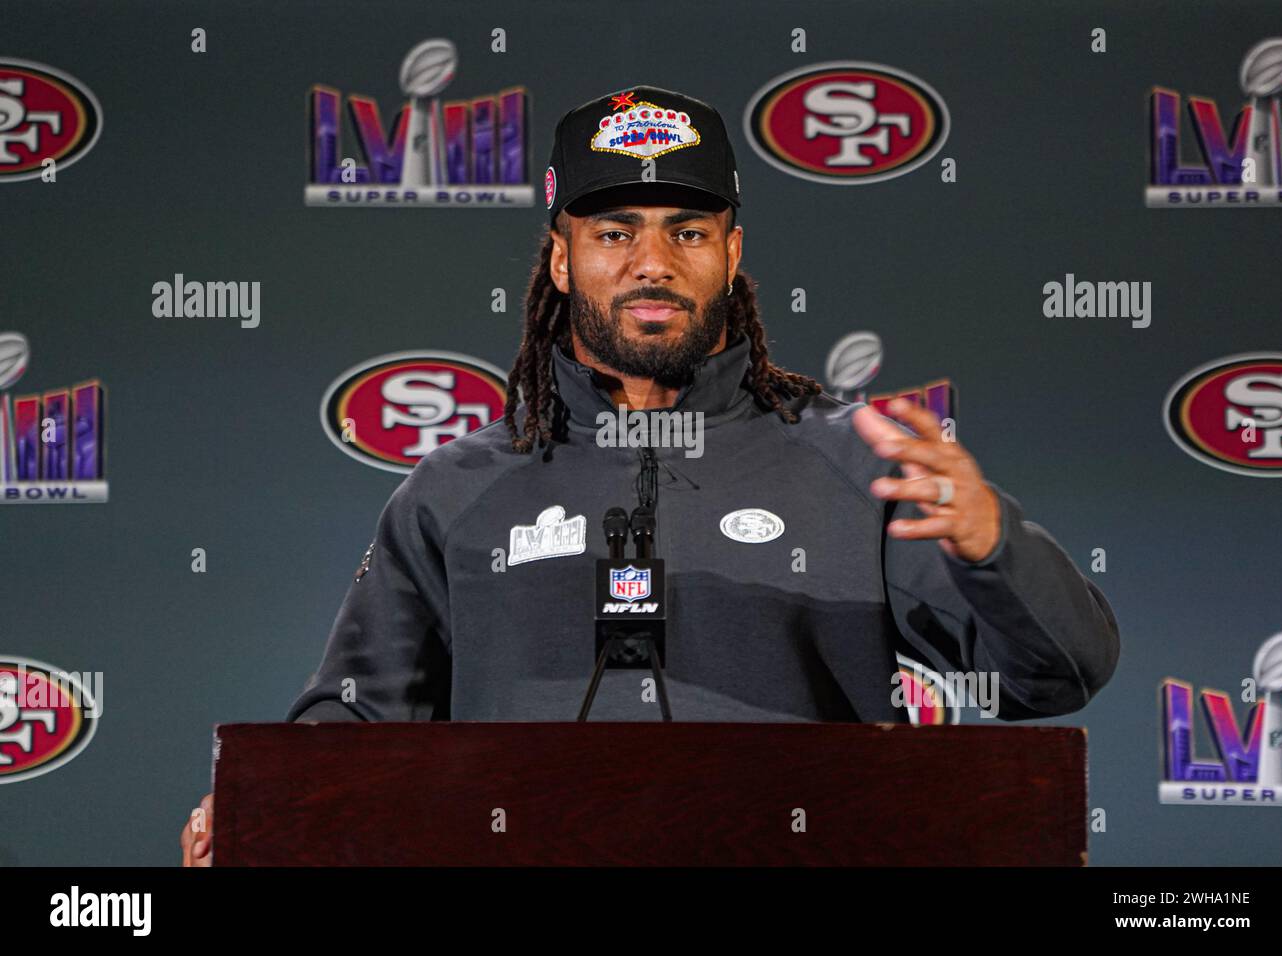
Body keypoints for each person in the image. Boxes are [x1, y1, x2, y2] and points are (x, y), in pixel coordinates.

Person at [182, 85, 1119, 865]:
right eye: (615, 232)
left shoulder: (851, 464)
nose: (653, 265)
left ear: (732, 253)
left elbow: (1057, 676)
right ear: (561, 258)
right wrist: (260, 810)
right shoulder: (455, 489)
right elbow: (354, 719)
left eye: (688, 232)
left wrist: (997, 546)